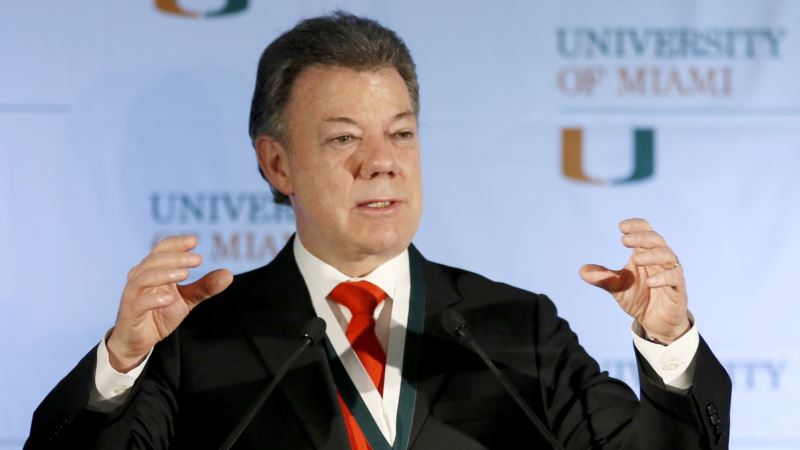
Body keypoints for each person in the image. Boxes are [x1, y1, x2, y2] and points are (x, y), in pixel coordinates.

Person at [25, 12, 730, 450]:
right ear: (277, 163)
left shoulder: (515, 328)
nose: (382, 163)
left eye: (401, 133)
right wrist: (121, 362)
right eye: (343, 139)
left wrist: (668, 345)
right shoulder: (198, 339)